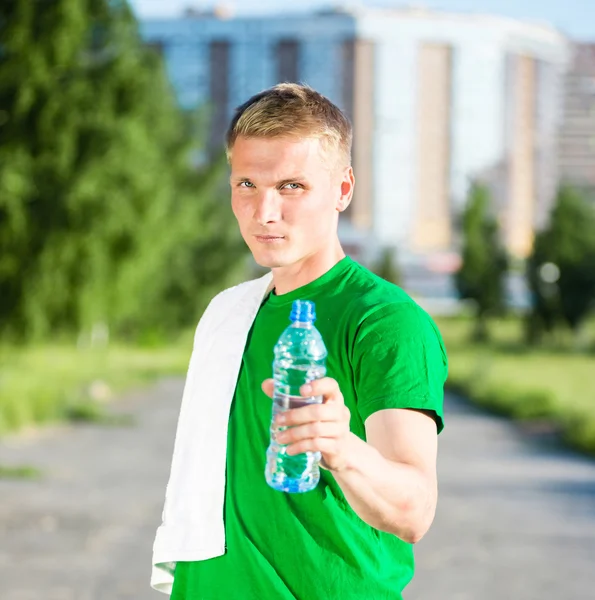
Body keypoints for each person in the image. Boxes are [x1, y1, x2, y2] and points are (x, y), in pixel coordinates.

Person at [151, 83, 448, 600]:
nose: (264, 211)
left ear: (342, 190)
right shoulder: (228, 312)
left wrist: (340, 447)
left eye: (291, 186)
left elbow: (414, 510)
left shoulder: (384, 321)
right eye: (247, 183)